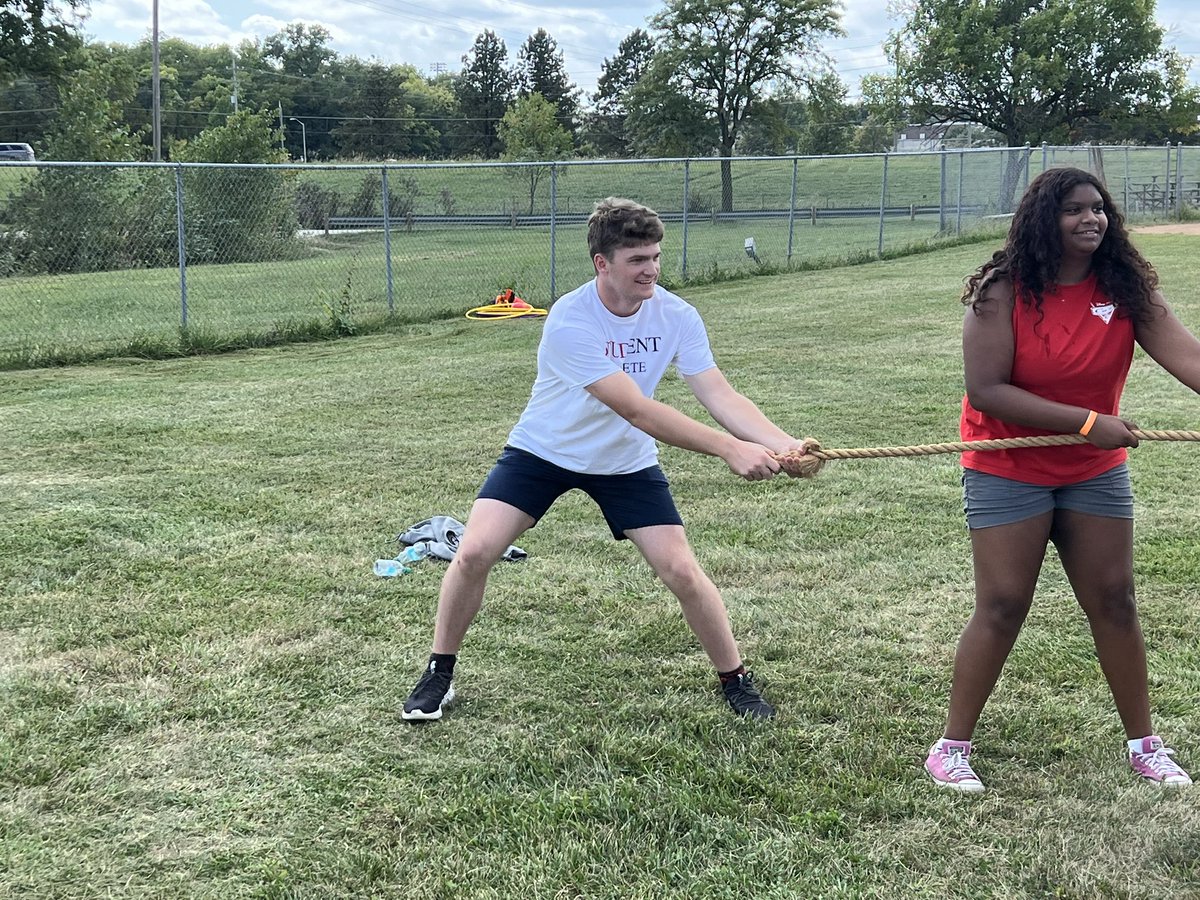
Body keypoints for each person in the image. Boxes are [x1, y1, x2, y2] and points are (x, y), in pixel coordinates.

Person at [402, 197, 815, 722]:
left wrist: (783, 444)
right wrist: (729, 448)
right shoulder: (571, 319)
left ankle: (735, 680)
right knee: (475, 551)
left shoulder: (677, 315)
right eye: (637, 260)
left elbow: (720, 394)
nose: (652, 270)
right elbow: (636, 408)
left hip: (623, 462)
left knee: (682, 571)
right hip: (544, 451)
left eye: (656, 257)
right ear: (603, 263)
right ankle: (440, 672)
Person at [924, 167, 1200, 792]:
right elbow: (987, 390)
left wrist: (1089, 435)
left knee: (1115, 601)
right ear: (1043, 220)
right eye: (1074, 210)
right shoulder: (1002, 290)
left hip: (1093, 471)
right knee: (1002, 605)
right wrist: (1086, 422)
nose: (1091, 220)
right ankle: (951, 748)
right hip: (1007, 465)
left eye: (1098, 209)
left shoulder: (1125, 288)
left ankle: (1144, 746)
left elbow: (1190, 356)